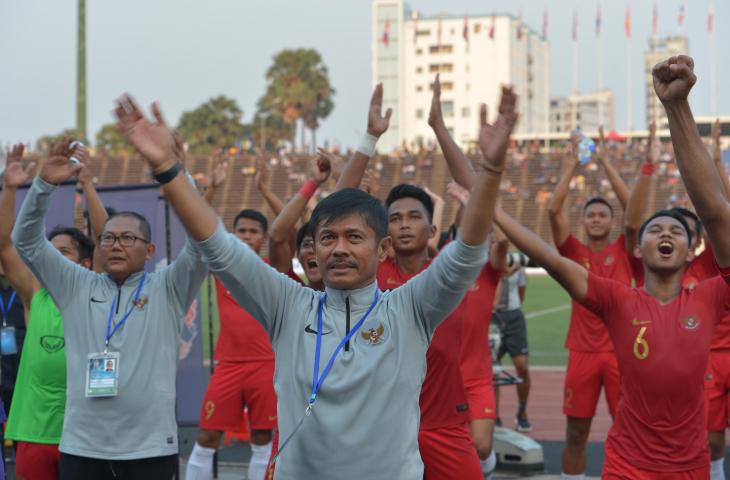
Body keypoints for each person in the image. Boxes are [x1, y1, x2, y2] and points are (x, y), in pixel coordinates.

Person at [113, 81, 515, 478]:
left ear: (383, 249)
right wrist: (167, 169)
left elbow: (466, 252)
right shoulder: (289, 305)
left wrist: (492, 170)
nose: (339, 248)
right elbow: (217, 245)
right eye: (328, 238)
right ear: (315, 250)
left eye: (354, 237)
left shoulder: (409, 308)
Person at [11, 137, 208, 480]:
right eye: (108, 238)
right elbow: (26, 239)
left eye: (127, 238)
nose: (115, 245)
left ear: (150, 250)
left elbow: (203, 240)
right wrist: (43, 184)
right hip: (82, 448)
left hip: (150, 449)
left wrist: (178, 173)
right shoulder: (75, 286)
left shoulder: (168, 287)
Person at [0, 144, 100, 480]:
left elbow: (103, 240)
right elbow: (3, 245)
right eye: (50, 253)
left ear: (86, 263)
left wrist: (87, 186)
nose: (54, 260)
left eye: (64, 253)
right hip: (35, 432)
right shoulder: (35, 295)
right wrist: (10, 188)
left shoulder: (96, 295)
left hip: (85, 435)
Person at [656, 55, 730, 480]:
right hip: (710, 360)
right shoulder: (706, 264)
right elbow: (716, 211)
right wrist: (677, 108)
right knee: (711, 442)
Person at [547, 127, 634, 479]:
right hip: (581, 353)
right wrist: (572, 164)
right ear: (583, 223)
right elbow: (554, 210)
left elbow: (633, 206)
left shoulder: (624, 251)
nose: (596, 219)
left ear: (613, 223)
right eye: (591, 215)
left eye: (602, 215)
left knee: (628, 431)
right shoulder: (573, 253)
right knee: (576, 434)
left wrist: (603, 162)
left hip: (619, 353)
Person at [185, 206, 278, 480]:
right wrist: (209, 192)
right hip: (229, 364)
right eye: (242, 231)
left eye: (254, 232)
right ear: (233, 235)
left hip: (265, 364)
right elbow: (197, 228)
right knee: (207, 436)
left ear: (263, 237)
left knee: (262, 439)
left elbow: (289, 232)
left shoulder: (273, 269)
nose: (247, 236)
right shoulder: (221, 267)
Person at [493, 256, 531, 432]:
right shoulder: (490, 260)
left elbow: (522, 292)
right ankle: (494, 414)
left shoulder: (518, 261)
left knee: (521, 366)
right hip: (493, 316)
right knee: (492, 368)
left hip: (514, 316)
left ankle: (522, 411)